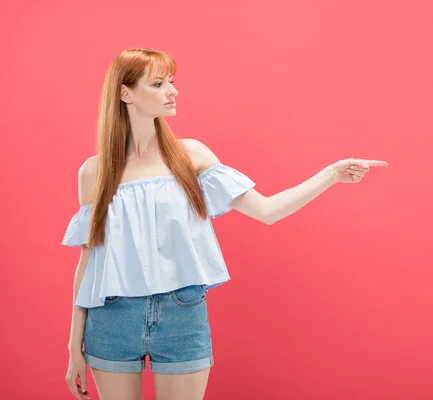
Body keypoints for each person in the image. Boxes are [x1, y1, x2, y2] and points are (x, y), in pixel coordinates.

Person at [63, 48, 388, 400]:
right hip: (112, 317)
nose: (172, 91)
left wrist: (330, 175)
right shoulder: (93, 172)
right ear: (125, 93)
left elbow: (267, 211)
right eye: (158, 84)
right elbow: (88, 262)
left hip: (181, 313)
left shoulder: (192, 155)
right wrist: (73, 348)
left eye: (171, 82)